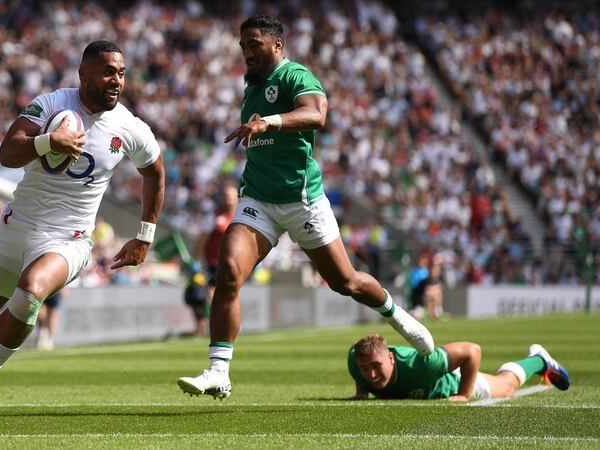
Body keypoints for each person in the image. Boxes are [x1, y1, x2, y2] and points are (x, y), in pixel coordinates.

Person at [177, 15, 433, 400]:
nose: (246, 52)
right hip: (257, 200)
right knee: (228, 273)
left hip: (302, 201)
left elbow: (317, 114)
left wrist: (270, 122)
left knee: (345, 282)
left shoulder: (296, 76)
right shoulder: (253, 87)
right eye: (243, 45)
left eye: (254, 44)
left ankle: (396, 314)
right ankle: (218, 371)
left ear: (277, 46)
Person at [0, 40, 165, 425]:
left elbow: (155, 172)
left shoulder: (129, 127)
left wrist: (145, 234)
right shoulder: (50, 105)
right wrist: (49, 141)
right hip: (15, 228)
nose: (117, 80)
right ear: (83, 74)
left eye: (121, 73)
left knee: (31, 291)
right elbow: (7, 152)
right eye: (107, 72)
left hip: (70, 239)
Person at [347, 333, 570, 401]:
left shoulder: (423, 364)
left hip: (452, 382)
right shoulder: (355, 361)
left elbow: (472, 350)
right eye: (365, 369)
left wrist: (464, 394)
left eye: (377, 365)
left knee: (507, 387)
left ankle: (539, 360)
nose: (372, 374)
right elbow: (361, 368)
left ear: (392, 358)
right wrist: (362, 392)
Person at [195, 183, 238, 302]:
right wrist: (197, 261)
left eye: (230, 196)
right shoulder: (213, 217)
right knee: (214, 292)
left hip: (234, 263)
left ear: (237, 197)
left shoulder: (240, 217)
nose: (228, 199)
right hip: (215, 263)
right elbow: (201, 240)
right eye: (225, 196)